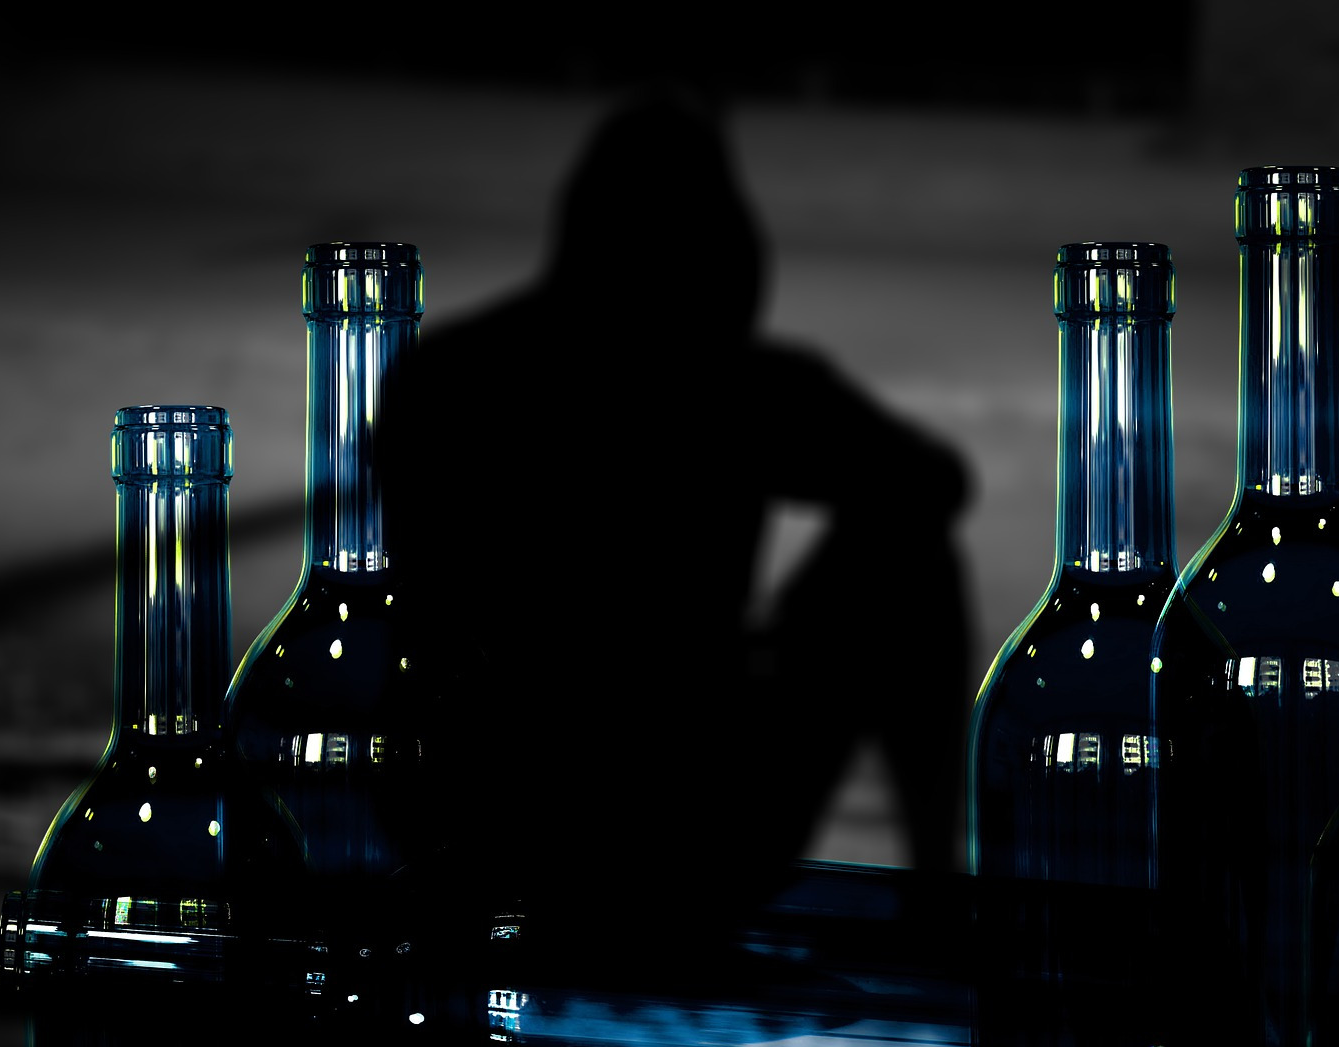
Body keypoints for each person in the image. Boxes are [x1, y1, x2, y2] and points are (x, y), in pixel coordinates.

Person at [385, 81, 975, 983]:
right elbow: (933, 482)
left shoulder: (446, 375)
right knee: (909, 558)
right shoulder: (744, 389)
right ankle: (937, 894)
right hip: (690, 826)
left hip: (476, 823)